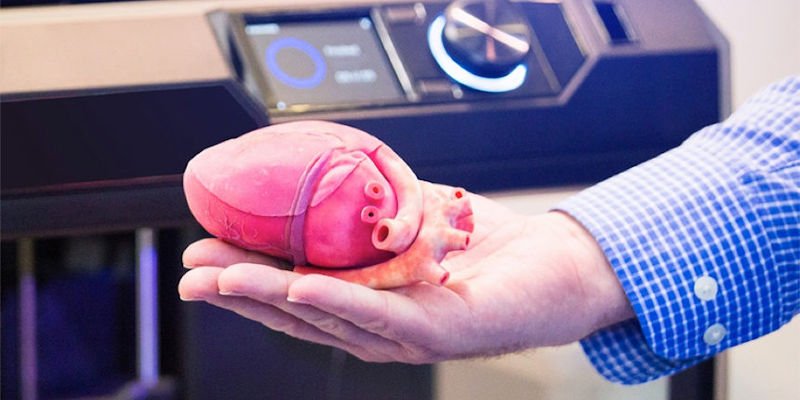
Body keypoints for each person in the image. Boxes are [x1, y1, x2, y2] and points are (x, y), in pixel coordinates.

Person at [178, 76, 799, 384]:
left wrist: (577, 265)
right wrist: (580, 260)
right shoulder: (359, 176)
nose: (384, 221)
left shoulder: (380, 179)